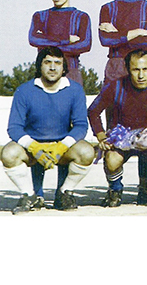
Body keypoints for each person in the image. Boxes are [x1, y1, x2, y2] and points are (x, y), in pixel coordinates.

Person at [2, 47, 94, 214]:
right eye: (47, 62)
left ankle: (64, 193)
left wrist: (62, 146)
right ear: (40, 66)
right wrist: (34, 147)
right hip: (32, 148)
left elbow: (81, 125)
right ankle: (29, 195)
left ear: (64, 67)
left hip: (62, 148)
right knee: (9, 153)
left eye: (57, 63)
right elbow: (14, 127)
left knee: (86, 151)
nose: (52, 67)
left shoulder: (75, 90)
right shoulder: (24, 90)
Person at [88, 49, 147, 207]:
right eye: (136, 70)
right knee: (111, 159)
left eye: (145, 69)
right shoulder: (115, 86)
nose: (141, 75)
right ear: (128, 69)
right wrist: (101, 136)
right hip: (122, 139)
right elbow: (93, 111)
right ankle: (115, 190)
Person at [29, 0, 92, 85]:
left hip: (71, 73)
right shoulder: (40, 16)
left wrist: (48, 45)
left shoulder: (81, 17)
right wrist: (66, 39)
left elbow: (85, 45)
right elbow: (34, 39)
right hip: (45, 73)